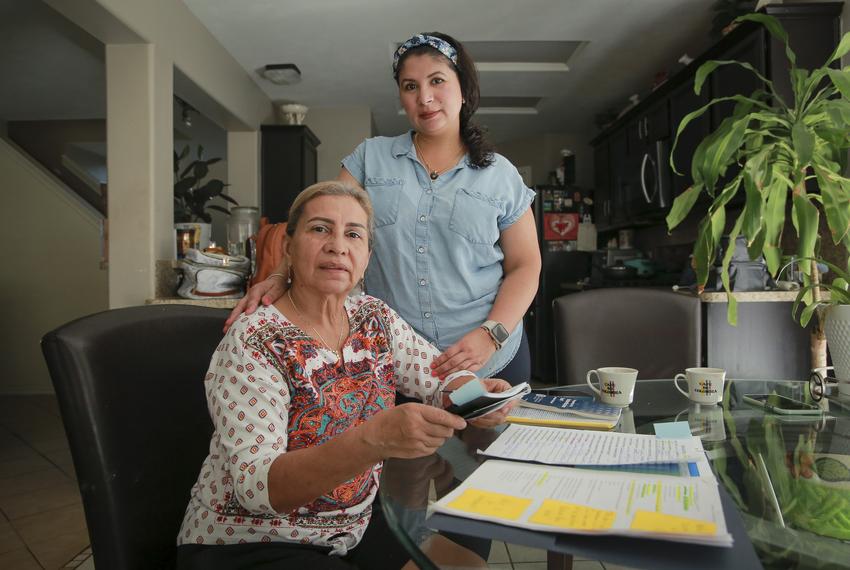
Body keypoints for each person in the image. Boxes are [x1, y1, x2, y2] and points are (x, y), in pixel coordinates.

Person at [177, 181, 515, 569]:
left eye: (353, 234)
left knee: (466, 566)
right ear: (288, 248)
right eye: (319, 229)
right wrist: (374, 440)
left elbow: (438, 375)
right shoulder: (254, 341)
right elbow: (259, 488)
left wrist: (476, 394)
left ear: (367, 256)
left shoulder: (374, 317)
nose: (338, 245)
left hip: (353, 530)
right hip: (251, 541)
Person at [226, 32, 541, 386]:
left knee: (497, 443)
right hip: (396, 361)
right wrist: (278, 276)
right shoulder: (370, 159)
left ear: (463, 89)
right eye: (410, 86)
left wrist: (490, 334)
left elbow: (525, 265)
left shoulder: (500, 175)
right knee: (404, 441)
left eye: (437, 81)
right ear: (401, 98)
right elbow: (322, 224)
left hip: (491, 356)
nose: (425, 97)